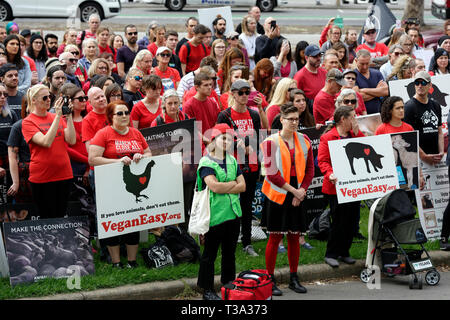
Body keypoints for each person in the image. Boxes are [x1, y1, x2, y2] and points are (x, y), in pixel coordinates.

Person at [89, 100, 152, 269]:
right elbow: (93, 159)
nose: (125, 116)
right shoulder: (103, 134)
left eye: (126, 112)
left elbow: (148, 152)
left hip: (132, 184)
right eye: (120, 113)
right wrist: (116, 161)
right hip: (110, 185)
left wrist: (142, 156)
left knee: (133, 219)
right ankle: (116, 262)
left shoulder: (135, 133)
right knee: (113, 221)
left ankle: (132, 261)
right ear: (111, 117)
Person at [261, 103, 314, 295]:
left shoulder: (305, 139)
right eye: (290, 119)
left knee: (294, 236)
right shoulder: (270, 142)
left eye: (297, 119)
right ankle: (269, 279)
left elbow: (310, 169)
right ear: (281, 120)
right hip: (278, 193)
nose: (294, 122)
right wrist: (295, 192)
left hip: (298, 192)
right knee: (275, 237)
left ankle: (294, 277)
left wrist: (302, 191)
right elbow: (272, 173)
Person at [196, 123, 245, 300]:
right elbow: (214, 187)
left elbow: (244, 186)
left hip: (233, 214)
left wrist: (229, 186)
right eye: (223, 138)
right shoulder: (206, 161)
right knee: (209, 254)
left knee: (229, 252)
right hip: (214, 215)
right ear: (214, 139)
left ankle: (228, 283)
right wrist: (233, 185)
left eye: (230, 139)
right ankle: (207, 289)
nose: (227, 142)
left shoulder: (232, 160)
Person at [217, 80, 262, 257]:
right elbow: (219, 140)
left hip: (250, 166)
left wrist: (249, 145)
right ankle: (229, 238)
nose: (244, 96)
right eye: (241, 92)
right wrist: (237, 144)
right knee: (229, 204)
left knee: (247, 204)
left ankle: (247, 242)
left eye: (247, 92)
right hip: (231, 167)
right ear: (233, 94)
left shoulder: (254, 115)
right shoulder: (225, 115)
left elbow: (258, 137)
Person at [317, 105, 365, 268]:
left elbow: (367, 149)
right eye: (353, 117)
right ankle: (331, 253)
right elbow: (322, 161)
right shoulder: (328, 137)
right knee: (339, 220)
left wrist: (358, 133)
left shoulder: (354, 135)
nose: (355, 120)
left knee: (352, 220)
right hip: (335, 187)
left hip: (354, 185)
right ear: (343, 119)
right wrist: (329, 174)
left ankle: (345, 251)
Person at [21, 84, 76, 219]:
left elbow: (71, 140)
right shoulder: (28, 122)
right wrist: (57, 116)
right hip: (43, 177)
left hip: (64, 173)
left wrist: (68, 117)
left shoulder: (54, 117)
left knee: (61, 215)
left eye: (50, 96)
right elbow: (46, 142)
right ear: (33, 100)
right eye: (44, 97)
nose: (48, 100)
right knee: (47, 218)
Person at [403, 71, 444, 166]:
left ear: (430, 85)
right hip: (419, 159)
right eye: (417, 83)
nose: (420, 86)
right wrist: (423, 156)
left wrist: (441, 152)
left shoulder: (436, 105)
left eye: (423, 83)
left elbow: (440, 132)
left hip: (436, 157)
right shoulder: (409, 107)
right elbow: (409, 137)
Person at [60, 83, 89, 179]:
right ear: (70, 101)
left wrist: (90, 166)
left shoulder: (89, 119)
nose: (84, 101)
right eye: (80, 99)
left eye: (85, 98)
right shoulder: (62, 120)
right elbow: (65, 148)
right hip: (73, 166)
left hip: (90, 166)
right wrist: (88, 160)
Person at [183, 72, 220, 146]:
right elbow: (191, 128)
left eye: (210, 84)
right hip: (198, 145)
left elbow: (216, 124)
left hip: (213, 142)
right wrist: (207, 141)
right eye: (206, 85)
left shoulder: (213, 102)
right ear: (197, 87)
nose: (209, 87)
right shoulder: (188, 105)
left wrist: (215, 140)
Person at [7, 96, 31, 203]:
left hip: (47, 172)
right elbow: (12, 157)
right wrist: (16, 182)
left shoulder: (51, 122)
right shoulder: (18, 126)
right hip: (26, 174)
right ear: (27, 107)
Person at [354, 49, 388, 114]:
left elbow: (385, 92)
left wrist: (364, 90)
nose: (364, 67)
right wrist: (377, 91)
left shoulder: (377, 73)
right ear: (356, 61)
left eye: (367, 63)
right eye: (362, 64)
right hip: (361, 114)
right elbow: (357, 97)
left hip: (378, 112)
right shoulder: (352, 76)